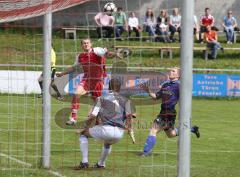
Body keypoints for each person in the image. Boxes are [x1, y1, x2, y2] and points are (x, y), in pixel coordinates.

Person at [56, 39, 120, 125]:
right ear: (81, 45)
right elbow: (73, 67)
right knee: (76, 93)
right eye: (84, 43)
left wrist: (115, 54)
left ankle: (103, 120)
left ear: (91, 44)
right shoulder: (80, 56)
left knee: (98, 104)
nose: (86, 44)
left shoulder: (97, 50)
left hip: (98, 81)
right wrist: (62, 73)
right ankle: (73, 118)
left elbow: (107, 55)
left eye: (87, 43)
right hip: (87, 80)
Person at [75, 78, 136, 169]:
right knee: (108, 143)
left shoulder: (101, 98)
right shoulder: (126, 101)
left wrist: (83, 127)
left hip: (106, 130)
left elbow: (92, 116)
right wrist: (131, 131)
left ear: (108, 88)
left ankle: (84, 162)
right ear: (119, 89)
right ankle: (101, 164)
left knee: (83, 134)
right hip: (119, 133)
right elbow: (129, 117)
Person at [139, 67, 200, 156]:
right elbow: (155, 97)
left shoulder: (179, 86)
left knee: (153, 130)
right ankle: (192, 129)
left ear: (178, 75)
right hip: (163, 112)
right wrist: (148, 90)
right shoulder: (165, 85)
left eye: (173, 71)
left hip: (169, 113)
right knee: (171, 134)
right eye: (170, 70)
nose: (170, 72)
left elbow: (185, 98)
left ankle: (145, 153)